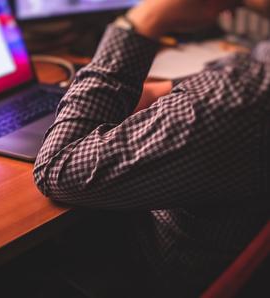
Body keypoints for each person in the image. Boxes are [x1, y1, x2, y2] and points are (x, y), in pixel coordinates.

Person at [33, 0, 270, 296]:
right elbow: (239, 75)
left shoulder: (242, 97)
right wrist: (168, 91)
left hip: (157, 275)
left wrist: (142, 22)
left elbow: (58, 168)